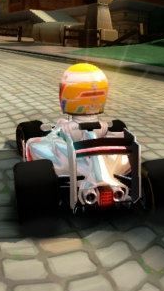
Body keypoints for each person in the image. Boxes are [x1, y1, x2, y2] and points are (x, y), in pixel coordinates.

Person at [26, 63, 132, 205]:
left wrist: (57, 130)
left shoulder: (64, 128)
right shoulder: (104, 127)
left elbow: (43, 142)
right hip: (107, 163)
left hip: (72, 164)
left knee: (32, 143)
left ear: (67, 94)